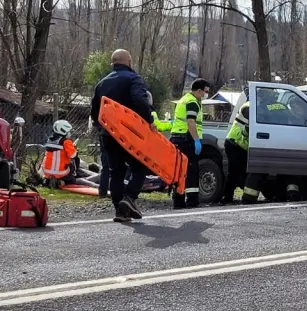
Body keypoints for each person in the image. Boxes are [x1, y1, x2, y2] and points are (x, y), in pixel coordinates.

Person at [90, 49, 156, 222]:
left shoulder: (101, 84)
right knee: (141, 166)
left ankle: (120, 211)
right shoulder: (134, 79)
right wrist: (149, 121)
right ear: (129, 62)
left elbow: (95, 112)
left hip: (109, 135)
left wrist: (102, 128)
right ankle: (129, 198)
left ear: (113, 63)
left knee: (116, 172)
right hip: (130, 134)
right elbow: (140, 100)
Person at [169, 78, 211, 208]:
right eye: (205, 91)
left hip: (178, 137)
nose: (206, 94)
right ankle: (192, 200)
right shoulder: (192, 101)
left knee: (180, 170)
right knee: (191, 170)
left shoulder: (184, 99)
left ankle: (178, 200)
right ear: (199, 91)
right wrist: (197, 140)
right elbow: (191, 122)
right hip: (186, 139)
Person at [221, 101, 250, 205]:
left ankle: (246, 196)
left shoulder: (252, 106)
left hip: (239, 144)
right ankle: (227, 198)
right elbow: (248, 127)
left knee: (241, 172)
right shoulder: (248, 107)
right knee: (233, 173)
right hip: (234, 143)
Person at [41, 120, 80, 186]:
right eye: (68, 131)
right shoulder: (66, 141)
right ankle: (62, 181)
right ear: (63, 130)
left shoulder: (49, 140)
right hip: (61, 173)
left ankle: (50, 180)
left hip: (47, 172)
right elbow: (73, 155)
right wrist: (75, 149)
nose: (69, 133)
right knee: (75, 161)